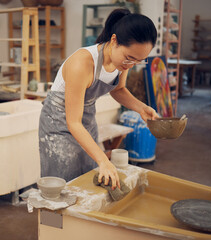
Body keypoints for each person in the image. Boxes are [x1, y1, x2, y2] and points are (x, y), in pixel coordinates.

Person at [39, 8, 159, 190]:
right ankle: (52, 220)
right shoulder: (82, 63)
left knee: (88, 181)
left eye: (138, 61)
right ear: (114, 40)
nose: (131, 64)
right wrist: (104, 159)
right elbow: (73, 123)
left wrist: (141, 108)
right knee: (63, 188)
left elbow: (118, 89)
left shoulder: (123, 60)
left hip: (85, 121)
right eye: (130, 58)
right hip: (59, 125)